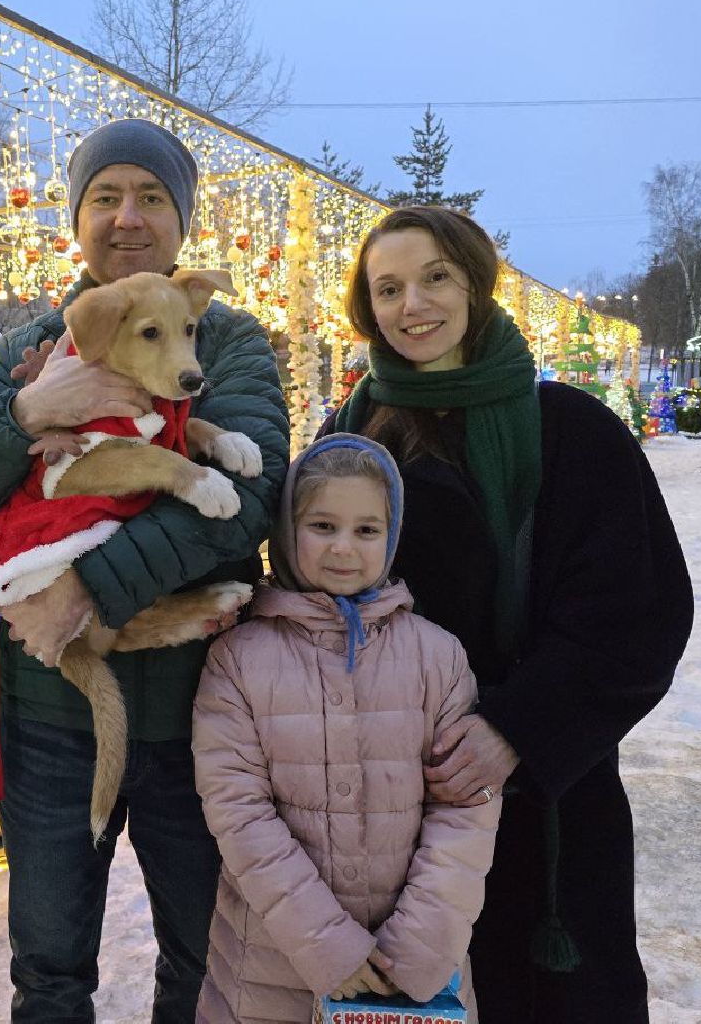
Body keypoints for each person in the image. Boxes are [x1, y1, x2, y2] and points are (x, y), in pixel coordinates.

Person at [0, 117, 290, 1023]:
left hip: (204, 711)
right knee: (49, 966)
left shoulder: (223, 342)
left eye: (151, 197)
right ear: (77, 220)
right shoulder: (28, 349)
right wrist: (25, 411)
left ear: (181, 221)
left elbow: (252, 497)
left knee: (204, 959)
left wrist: (87, 591)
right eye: (105, 197)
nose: (127, 217)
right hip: (53, 720)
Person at [320, 206, 693, 1023]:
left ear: (477, 285)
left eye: (435, 278)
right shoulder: (348, 434)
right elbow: (312, 595)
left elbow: (637, 614)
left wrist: (516, 729)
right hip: (390, 802)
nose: (411, 304)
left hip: (546, 815)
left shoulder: (571, 432)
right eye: (388, 288)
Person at [193, 434, 501, 1022]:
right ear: (288, 529)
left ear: (392, 536)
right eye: (323, 526)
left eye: (366, 530)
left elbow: (464, 809)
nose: (344, 549)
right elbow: (238, 811)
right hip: (272, 965)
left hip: (416, 974)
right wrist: (327, 945)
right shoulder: (237, 658)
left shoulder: (438, 655)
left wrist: (417, 947)